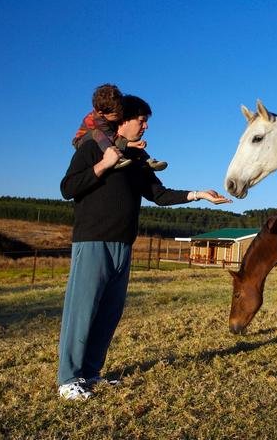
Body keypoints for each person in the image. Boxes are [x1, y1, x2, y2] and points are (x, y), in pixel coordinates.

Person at [57, 92, 231, 401]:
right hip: (93, 241)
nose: (145, 127)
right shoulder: (90, 148)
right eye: (141, 120)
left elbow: (159, 194)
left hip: (124, 244)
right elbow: (68, 188)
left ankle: (91, 373)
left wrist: (199, 195)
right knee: (82, 311)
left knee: (109, 312)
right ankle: (68, 378)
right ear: (122, 122)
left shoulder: (136, 159)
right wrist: (104, 165)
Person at [72, 84, 167, 171]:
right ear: (101, 113)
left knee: (130, 142)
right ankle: (116, 158)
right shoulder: (97, 122)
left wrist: (132, 144)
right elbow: (111, 137)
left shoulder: (111, 116)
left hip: (106, 137)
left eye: (121, 111)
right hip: (82, 139)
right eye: (116, 114)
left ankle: (147, 160)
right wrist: (129, 144)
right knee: (97, 133)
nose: (120, 115)